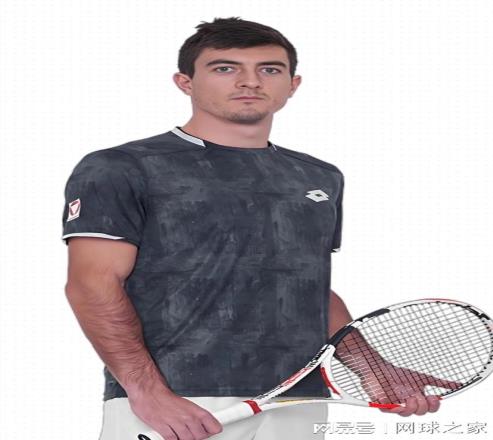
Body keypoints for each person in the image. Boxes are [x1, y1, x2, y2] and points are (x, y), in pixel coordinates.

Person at [62, 17, 442, 440]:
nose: (250, 81)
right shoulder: (122, 167)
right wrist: (145, 390)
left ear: (293, 85)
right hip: (178, 401)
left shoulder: (318, 176)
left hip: (299, 399)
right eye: (225, 68)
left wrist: (373, 368)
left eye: (269, 69)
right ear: (185, 82)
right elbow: (91, 284)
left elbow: (308, 287)